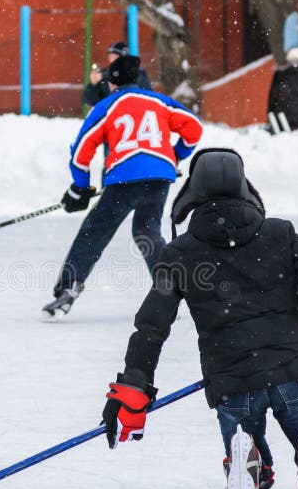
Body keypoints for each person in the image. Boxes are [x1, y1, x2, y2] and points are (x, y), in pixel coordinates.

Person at [100, 148, 298, 489]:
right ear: (244, 187)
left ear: (193, 194)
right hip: (292, 372)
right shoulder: (280, 234)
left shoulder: (179, 253)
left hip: (233, 382)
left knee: (243, 429)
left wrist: (135, 383)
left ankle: (249, 460)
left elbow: (152, 326)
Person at [43, 55, 203, 320]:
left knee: (95, 231)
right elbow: (194, 128)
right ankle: (167, 284)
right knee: (147, 229)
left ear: (112, 82)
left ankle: (69, 287)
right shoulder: (159, 101)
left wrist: (80, 187)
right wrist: (174, 155)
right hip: (159, 178)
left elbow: (81, 150)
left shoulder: (107, 106)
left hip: (124, 178)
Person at [82, 41, 152, 107]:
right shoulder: (103, 74)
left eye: (115, 56)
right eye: (110, 56)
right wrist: (93, 85)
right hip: (112, 114)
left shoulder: (137, 73)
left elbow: (145, 96)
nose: (111, 59)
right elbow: (90, 100)